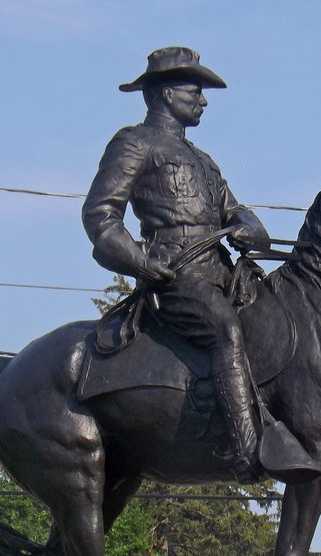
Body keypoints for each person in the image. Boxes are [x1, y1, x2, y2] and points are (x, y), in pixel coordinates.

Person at [82, 46, 273, 481]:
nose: (203, 100)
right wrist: (143, 263)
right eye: (195, 90)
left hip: (223, 273)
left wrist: (250, 227)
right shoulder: (135, 142)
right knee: (225, 328)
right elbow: (100, 216)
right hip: (176, 278)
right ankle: (249, 451)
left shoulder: (205, 161)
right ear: (167, 93)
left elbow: (236, 211)